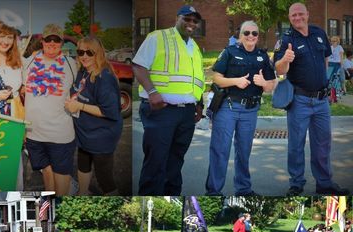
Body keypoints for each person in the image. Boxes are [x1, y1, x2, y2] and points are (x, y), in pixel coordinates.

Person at [274, 3, 350, 196]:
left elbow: (325, 58)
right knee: (296, 144)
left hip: (321, 100)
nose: (297, 18)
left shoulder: (319, 32)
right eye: (293, 15)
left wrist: (322, 82)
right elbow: (279, 70)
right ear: (289, 18)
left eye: (300, 14)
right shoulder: (287, 39)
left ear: (307, 14)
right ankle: (296, 183)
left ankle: (324, 183)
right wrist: (285, 59)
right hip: (300, 100)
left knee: (323, 143)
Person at [133, 5, 206, 196]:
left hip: (186, 114)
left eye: (194, 21)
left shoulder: (194, 47)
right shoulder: (158, 37)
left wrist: (199, 105)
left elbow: (196, 79)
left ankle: (171, 195)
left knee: (175, 162)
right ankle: (151, 200)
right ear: (177, 18)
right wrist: (152, 91)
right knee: (156, 162)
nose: (191, 23)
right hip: (161, 111)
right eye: (187, 19)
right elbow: (139, 66)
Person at [206, 20, 277, 196]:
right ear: (240, 35)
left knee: (244, 151)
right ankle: (214, 191)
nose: (250, 36)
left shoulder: (262, 56)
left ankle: (243, 189)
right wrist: (235, 81)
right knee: (220, 150)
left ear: (258, 36)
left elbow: (271, 85)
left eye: (254, 33)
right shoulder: (229, 52)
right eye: (246, 33)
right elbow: (216, 77)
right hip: (228, 108)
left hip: (250, 111)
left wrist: (264, 83)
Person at [65, 36, 125, 195]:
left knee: (104, 177)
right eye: (80, 52)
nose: (84, 56)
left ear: (98, 53)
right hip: (85, 134)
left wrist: (79, 106)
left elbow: (109, 111)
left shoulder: (104, 78)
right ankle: (82, 194)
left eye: (89, 52)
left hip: (101, 136)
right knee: (83, 165)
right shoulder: (83, 72)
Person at [24, 24, 77, 195]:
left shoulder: (71, 64)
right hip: (34, 133)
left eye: (56, 40)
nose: (52, 43)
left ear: (62, 42)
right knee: (46, 172)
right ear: (42, 41)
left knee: (61, 175)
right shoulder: (29, 62)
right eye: (49, 39)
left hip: (60, 133)